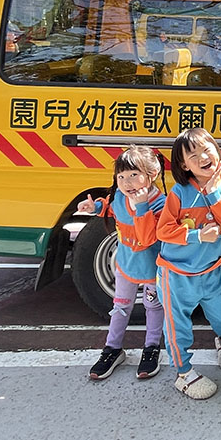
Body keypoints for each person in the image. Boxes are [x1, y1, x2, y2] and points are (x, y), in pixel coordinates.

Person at [157, 128, 221, 400]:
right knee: (177, 326)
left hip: (211, 271)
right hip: (176, 274)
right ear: (184, 165)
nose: (203, 158)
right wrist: (196, 235)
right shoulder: (179, 192)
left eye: (207, 150)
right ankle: (183, 373)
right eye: (193, 156)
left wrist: (214, 190)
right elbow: (163, 230)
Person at [77, 146, 167, 381]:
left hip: (153, 269)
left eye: (134, 175)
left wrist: (142, 205)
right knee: (120, 307)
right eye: (121, 176)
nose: (127, 182)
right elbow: (112, 209)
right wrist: (96, 207)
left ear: (152, 174)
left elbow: (148, 238)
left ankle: (152, 348)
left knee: (154, 307)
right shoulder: (120, 197)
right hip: (126, 266)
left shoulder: (161, 204)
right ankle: (113, 348)